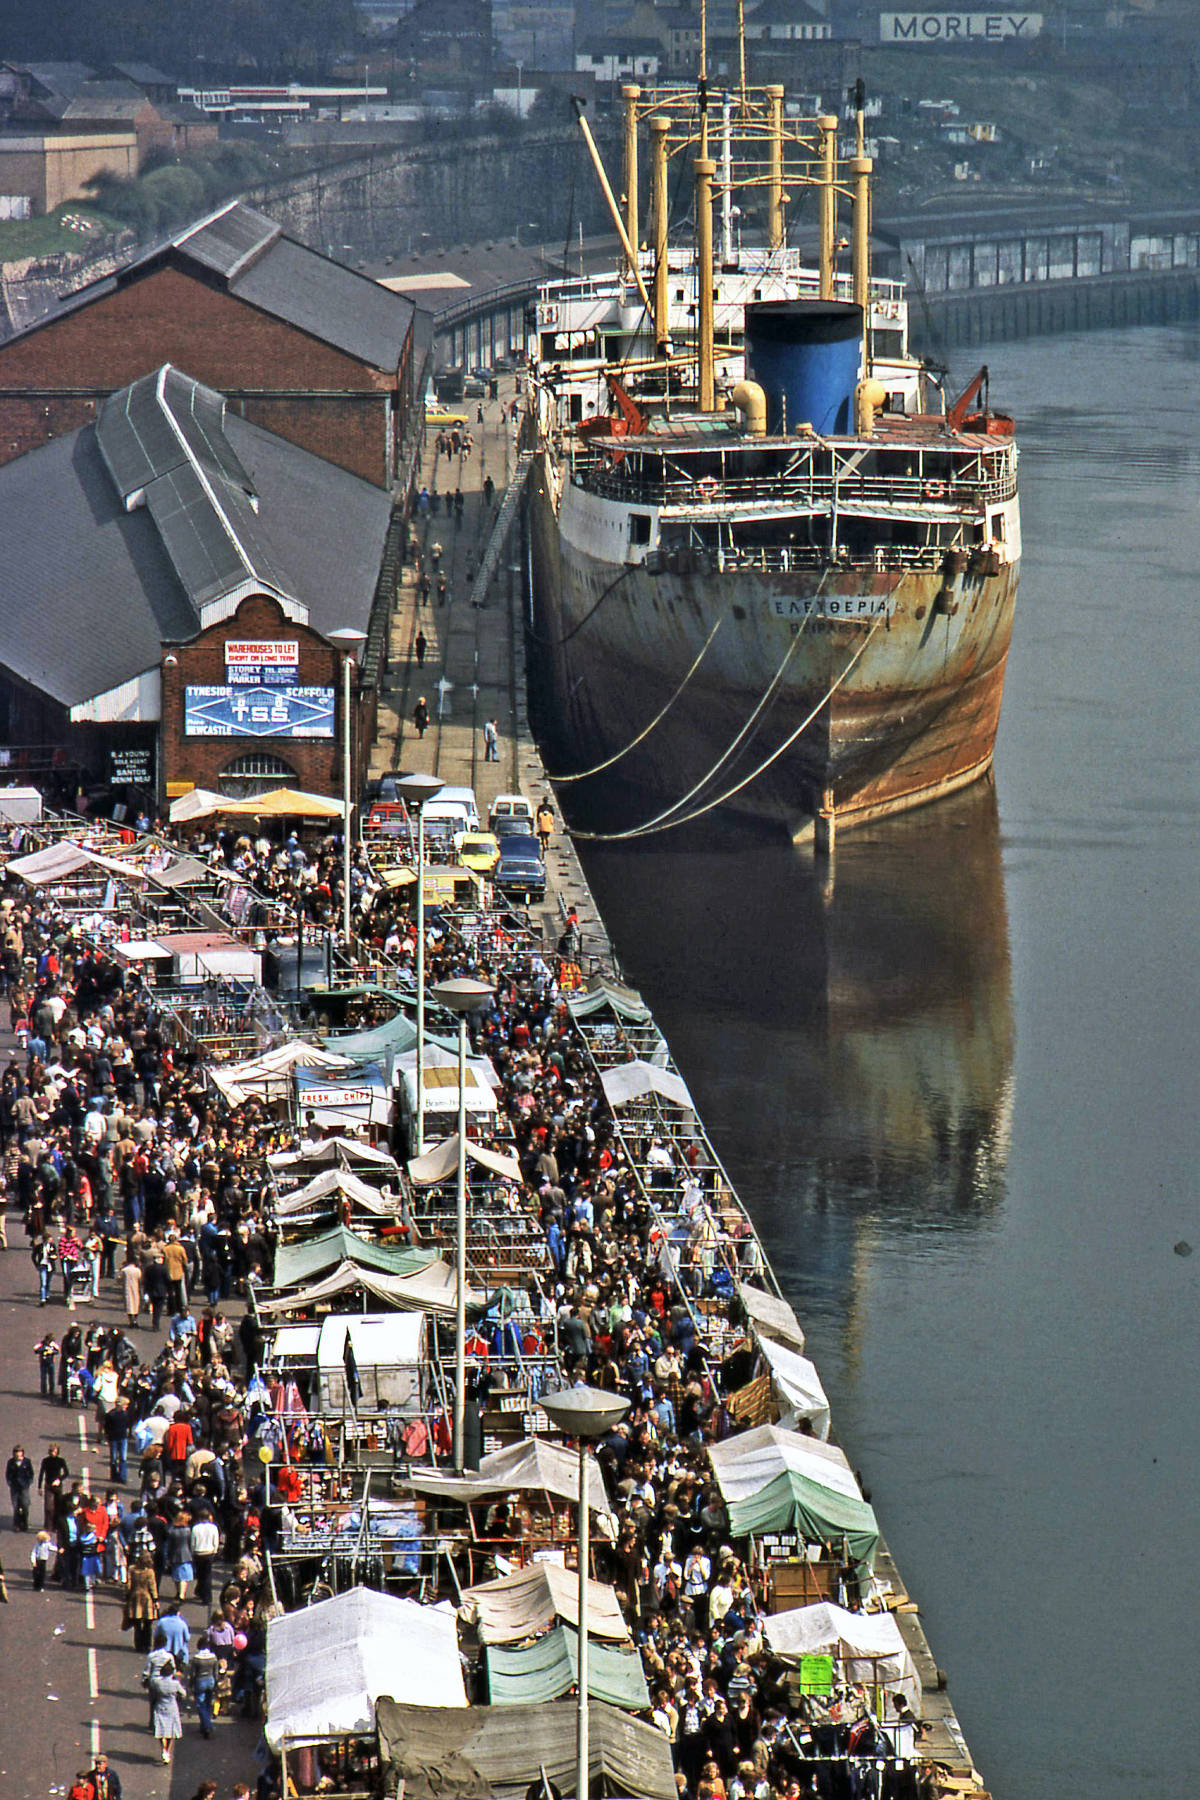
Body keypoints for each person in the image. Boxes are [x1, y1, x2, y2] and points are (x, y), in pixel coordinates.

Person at [147, 1655, 185, 1763]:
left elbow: (152, 1689)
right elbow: (183, 1693)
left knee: (160, 1729)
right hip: (172, 1707)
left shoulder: (157, 1682)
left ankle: (163, 1748)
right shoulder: (175, 1684)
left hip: (160, 1706)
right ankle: (167, 1750)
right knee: (171, 1732)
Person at [6, 1444, 34, 1530]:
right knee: (16, 1505)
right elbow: (8, 1474)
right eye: (16, 1454)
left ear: (22, 1454)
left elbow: (31, 1473)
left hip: (24, 1487)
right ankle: (16, 1524)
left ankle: (24, 1523)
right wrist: (10, 1482)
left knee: (25, 1505)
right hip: (14, 1487)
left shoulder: (27, 1462)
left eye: (19, 1454)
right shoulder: (10, 1462)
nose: (18, 1456)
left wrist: (28, 1482)